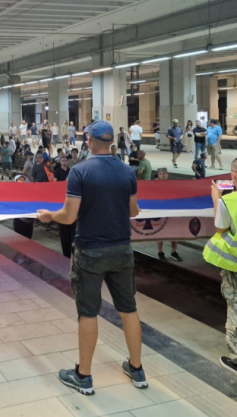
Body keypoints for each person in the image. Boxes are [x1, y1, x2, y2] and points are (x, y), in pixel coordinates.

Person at [37, 121, 146, 395]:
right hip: (122, 250)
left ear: (89, 140)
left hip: (90, 251)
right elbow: (133, 211)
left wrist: (49, 216)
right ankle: (136, 369)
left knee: (88, 312)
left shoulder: (79, 171)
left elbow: (69, 216)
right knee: (129, 309)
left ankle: (83, 376)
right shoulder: (126, 172)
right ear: (110, 141)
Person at [206, 161, 237, 374]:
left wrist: (217, 199)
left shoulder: (230, 201)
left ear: (234, 177)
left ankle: (236, 358)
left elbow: (220, 227)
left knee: (235, 307)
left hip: (234, 267)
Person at [154, 168, 182, 261]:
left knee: (174, 233)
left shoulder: (172, 184)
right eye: (161, 173)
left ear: (167, 175)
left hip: (171, 211)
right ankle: (160, 252)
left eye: (164, 173)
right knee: (160, 233)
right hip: (159, 212)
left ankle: (174, 252)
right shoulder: (153, 185)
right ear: (158, 175)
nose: (162, 175)